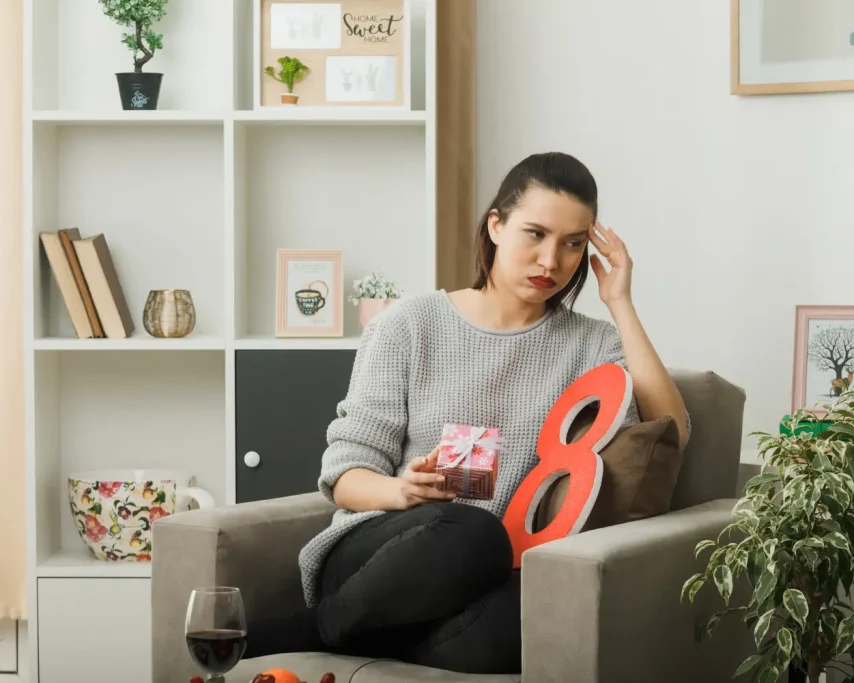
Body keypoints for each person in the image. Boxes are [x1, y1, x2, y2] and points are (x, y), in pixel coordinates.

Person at [244, 151, 690, 674]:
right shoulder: (410, 324)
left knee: (538, 613)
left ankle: (370, 640)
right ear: (496, 226)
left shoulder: (589, 345)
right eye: (535, 234)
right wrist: (401, 491)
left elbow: (672, 432)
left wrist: (620, 302)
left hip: (490, 574)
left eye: (572, 244)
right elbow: (344, 474)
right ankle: (315, 627)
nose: (551, 261)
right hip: (385, 550)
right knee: (475, 532)